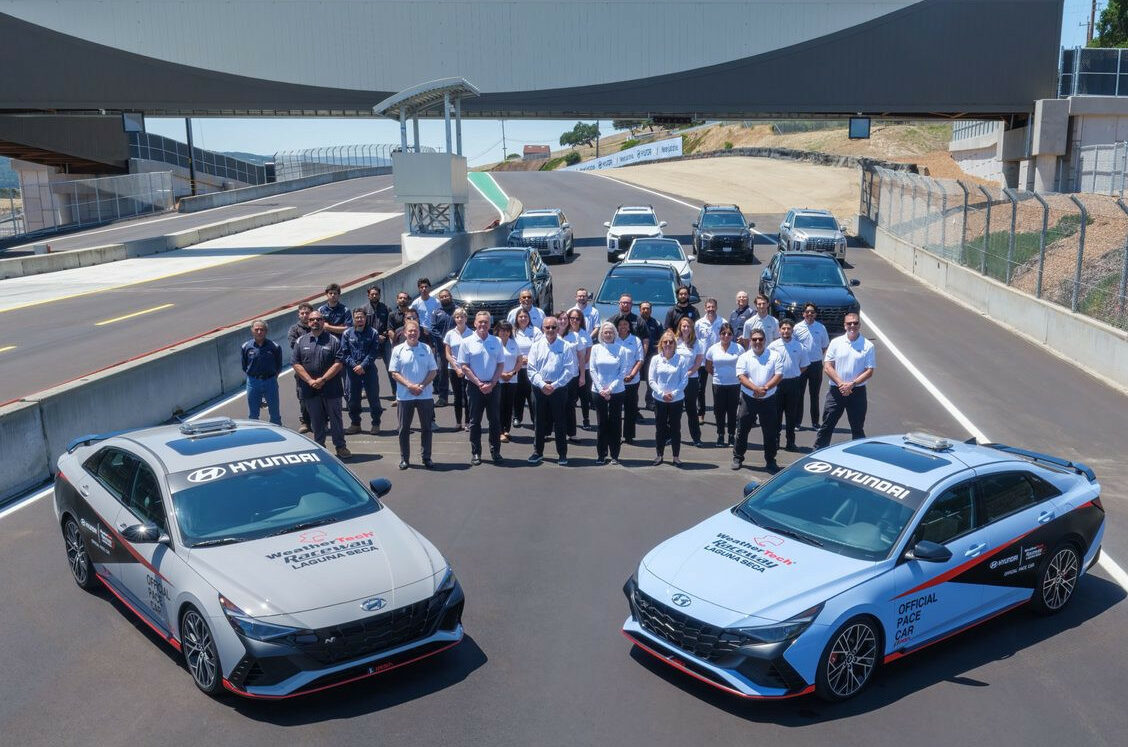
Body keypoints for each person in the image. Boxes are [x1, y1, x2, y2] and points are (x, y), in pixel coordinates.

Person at [292, 311, 351, 458]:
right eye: (312, 320)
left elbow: (338, 363)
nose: (315, 322)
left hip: (331, 388)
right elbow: (296, 363)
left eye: (318, 319)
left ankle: (340, 447)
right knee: (316, 421)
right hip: (310, 389)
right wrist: (310, 381)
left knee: (336, 419)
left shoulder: (333, 340)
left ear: (323, 321)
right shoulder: (301, 341)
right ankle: (320, 448)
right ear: (308, 322)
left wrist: (323, 379)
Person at [813, 313, 875, 450]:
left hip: (857, 392)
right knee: (827, 425)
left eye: (855, 323)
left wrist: (852, 384)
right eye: (849, 323)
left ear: (859, 325)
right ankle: (818, 453)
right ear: (844, 325)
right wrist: (841, 383)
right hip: (836, 391)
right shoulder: (836, 343)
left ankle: (859, 455)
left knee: (857, 427)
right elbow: (828, 366)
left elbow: (869, 370)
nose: (852, 326)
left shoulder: (868, 345)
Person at [526, 315, 577, 465]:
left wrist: (554, 385)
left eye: (553, 327)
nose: (550, 330)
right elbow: (531, 369)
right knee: (539, 421)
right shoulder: (536, 346)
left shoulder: (565, 346)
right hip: (539, 388)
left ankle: (562, 454)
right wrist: (542, 384)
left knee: (560, 422)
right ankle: (538, 452)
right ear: (543, 328)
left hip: (558, 389)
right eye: (547, 327)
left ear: (558, 328)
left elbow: (570, 370)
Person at [731, 331, 783, 472]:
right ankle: (738, 457)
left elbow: (778, 375)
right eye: (754, 339)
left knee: (770, 432)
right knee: (742, 429)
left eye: (760, 339)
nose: (757, 342)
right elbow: (741, 376)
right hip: (749, 398)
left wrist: (765, 388)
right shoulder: (744, 357)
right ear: (751, 341)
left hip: (769, 398)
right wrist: (755, 389)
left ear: (765, 340)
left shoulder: (775, 355)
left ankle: (771, 461)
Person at [458, 311, 505, 465]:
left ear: (490, 324)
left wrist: (491, 383)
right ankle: (476, 453)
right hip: (474, 387)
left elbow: (500, 364)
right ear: (475, 324)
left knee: (495, 421)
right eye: (480, 322)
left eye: (486, 322)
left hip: (493, 386)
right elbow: (464, 366)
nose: (483, 325)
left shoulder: (497, 341)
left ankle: (495, 452)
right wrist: (479, 383)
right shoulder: (466, 342)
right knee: (475, 421)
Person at [389, 320, 437, 470]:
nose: (412, 333)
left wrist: (421, 385)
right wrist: (409, 385)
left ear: (419, 332)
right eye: (410, 331)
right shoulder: (397, 350)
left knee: (426, 428)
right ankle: (405, 459)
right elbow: (394, 372)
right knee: (403, 428)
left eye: (415, 330)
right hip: (405, 396)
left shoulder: (427, 349)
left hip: (425, 395)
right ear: (404, 333)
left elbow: (433, 371)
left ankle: (426, 457)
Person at [589, 322, 629, 465]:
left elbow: (622, 372)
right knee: (601, 423)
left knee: (615, 423)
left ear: (615, 334)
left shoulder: (622, 350)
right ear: (601, 334)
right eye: (605, 332)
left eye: (611, 332)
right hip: (598, 391)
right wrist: (601, 389)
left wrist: (610, 389)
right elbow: (592, 369)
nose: (608, 334)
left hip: (617, 391)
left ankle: (615, 455)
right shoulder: (596, 349)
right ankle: (601, 454)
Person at [648, 330, 690, 466]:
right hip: (660, 399)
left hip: (676, 400)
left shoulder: (681, 359)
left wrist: (674, 393)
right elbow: (651, 380)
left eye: (671, 342)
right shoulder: (655, 359)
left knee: (675, 428)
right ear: (661, 344)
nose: (668, 344)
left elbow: (684, 380)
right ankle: (659, 455)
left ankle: (676, 457)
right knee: (660, 428)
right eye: (665, 342)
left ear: (675, 344)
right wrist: (662, 394)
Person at [768, 319, 810, 451]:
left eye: (788, 328)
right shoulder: (773, 346)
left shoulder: (799, 346)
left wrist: (794, 372)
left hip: (793, 383)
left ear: (792, 330)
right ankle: (775, 440)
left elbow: (803, 366)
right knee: (776, 414)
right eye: (783, 328)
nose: (786, 331)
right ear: (779, 330)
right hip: (778, 384)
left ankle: (790, 442)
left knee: (791, 414)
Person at [341, 308, 383, 435]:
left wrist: (363, 366)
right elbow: (344, 353)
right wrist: (354, 365)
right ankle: (355, 424)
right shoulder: (347, 333)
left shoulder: (373, 333)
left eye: (361, 317)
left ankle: (375, 423)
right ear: (353, 319)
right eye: (357, 317)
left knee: (373, 397)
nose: (359, 319)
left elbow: (373, 352)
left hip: (368, 370)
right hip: (352, 370)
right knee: (352, 399)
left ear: (366, 318)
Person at [794, 302, 830, 430]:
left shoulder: (821, 328)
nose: (810, 314)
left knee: (814, 394)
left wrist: (817, 356)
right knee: (799, 394)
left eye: (812, 312)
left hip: (816, 365)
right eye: (807, 312)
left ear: (815, 314)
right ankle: (797, 422)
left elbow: (825, 346)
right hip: (801, 365)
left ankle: (815, 423)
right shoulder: (797, 328)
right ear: (803, 314)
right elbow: (794, 346)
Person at [706, 322, 741, 446]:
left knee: (732, 411)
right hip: (718, 384)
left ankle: (731, 435)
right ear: (719, 334)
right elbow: (709, 366)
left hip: (734, 384)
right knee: (719, 411)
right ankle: (720, 435)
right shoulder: (713, 348)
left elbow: (743, 366)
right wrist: (718, 375)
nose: (726, 336)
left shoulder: (738, 348)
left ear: (732, 335)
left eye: (729, 334)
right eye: (723, 333)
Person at [242, 319, 282, 425]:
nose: (259, 332)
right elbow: (244, 366)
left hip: (270, 382)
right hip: (253, 382)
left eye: (262, 330)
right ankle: (255, 435)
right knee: (253, 414)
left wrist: (271, 378)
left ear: (266, 331)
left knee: (275, 414)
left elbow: (278, 366)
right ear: (252, 330)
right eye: (257, 329)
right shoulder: (246, 346)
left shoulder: (275, 347)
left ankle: (277, 435)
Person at [675, 317, 706, 447]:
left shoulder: (697, 343)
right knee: (674, 410)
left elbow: (698, 363)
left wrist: (688, 373)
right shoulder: (675, 341)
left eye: (688, 326)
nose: (686, 329)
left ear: (692, 328)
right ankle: (671, 436)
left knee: (691, 410)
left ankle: (696, 438)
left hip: (691, 380)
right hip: (675, 381)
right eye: (683, 326)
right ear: (680, 328)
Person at [562, 309, 591, 439]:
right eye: (572, 318)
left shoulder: (583, 335)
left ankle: (584, 421)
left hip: (580, 370)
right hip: (563, 373)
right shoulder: (562, 333)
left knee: (581, 398)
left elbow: (586, 353)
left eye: (577, 318)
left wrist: (581, 370)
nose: (574, 320)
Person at [616, 316, 645, 445]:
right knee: (616, 410)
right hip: (616, 381)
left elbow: (640, 359)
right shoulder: (613, 340)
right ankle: (615, 435)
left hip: (632, 381)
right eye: (620, 324)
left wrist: (632, 375)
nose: (623, 327)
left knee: (630, 409)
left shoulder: (635, 340)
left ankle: (628, 436)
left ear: (629, 327)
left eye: (625, 324)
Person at [443, 307, 472, 430]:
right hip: (453, 368)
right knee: (457, 396)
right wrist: (456, 368)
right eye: (457, 317)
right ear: (454, 319)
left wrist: (464, 368)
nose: (460, 319)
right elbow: (447, 354)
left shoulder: (471, 333)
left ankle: (467, 422)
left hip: (468, 368)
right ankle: (458, 422)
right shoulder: (450, 334)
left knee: (467, 396)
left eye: (462, 317)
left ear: (466, 318)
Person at [512, 307, 542, 428]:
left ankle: (535, 419)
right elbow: (509, 348)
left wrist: (529, 359)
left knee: (532, 395)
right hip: (517, 367)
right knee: (517, 394)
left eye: (525, 316)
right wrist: (519, 359)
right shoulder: (513, 331)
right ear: (516, 318)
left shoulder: (535, 331)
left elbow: (539, 348)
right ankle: (517, 418)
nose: (523, 319)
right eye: (521, 317)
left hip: (532, 368)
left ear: (529, 318)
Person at [694, 298, 722, 420]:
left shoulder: (722, 322)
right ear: (705, 308)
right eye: (708, 307)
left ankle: (718, 412)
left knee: (718, 388)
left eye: (713, 307)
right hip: (703, 360)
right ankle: (701, 413)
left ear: (716, 307)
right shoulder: (699, 323)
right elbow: (695, 341)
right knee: (700, 388)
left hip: (717, 359)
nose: (711, 309)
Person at [362, 285, 391, 403]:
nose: (374, 296)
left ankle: (396, 391)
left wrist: (384, 335)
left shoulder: (386, 308)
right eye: (372, 294)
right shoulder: (363, 309)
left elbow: (390, 325)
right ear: (368, 295)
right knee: (366, 367)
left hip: (385, 341)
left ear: (379, 295)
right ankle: (365, 390)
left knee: (391, 366)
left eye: (376, 294)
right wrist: (375, 336)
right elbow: (362, 326)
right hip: (370, 342)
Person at [287, 303, 313, 433]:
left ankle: (323, 420)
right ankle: (306, 422)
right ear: (299, 314)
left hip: (317, 368)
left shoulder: (317, 326)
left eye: (307, 313)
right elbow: (294, 345)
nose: (304, 315)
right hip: (301, 369)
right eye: (302, 313)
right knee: (303, 397)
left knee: (321, 396)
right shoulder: (294, 329)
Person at [430, 288, 458, 408]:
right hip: (442, 348)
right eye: (442, 297)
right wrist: (443, 339)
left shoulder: (458, 311)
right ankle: (443, 398)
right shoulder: (436, 312)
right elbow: (433, 328)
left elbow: (463, 325)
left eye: (446, 296)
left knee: (458, 371)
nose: (444, 298)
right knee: (442, 372)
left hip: (457, 347)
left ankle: (460, 397)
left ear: (450, 296)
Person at [495, 321, 521, 443]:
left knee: (508, 406)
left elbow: (519, 361)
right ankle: (499, 431)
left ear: (510, 332)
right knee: (498, 406)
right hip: (498, 379)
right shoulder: (494, 343)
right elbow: (490, 362)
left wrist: (512, 373)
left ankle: (506, 429)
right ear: (497, 331)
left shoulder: (514, 343)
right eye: (502, 330)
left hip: (512, 379)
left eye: (507, 330)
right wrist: (501, 374)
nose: (504, 332)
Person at [636, 301, 662, 410]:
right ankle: (634, 404)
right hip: (636, 357)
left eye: (648, 308)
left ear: (651, 310)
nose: (645, 310)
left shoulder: (657, 323)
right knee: (634, 381)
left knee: (650, 380)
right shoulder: (635, 322)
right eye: (643, 308)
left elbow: (662, 339)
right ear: (640, 310)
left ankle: (650, 402)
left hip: (651, 357)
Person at [386, 290, 412, 396]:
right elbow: (390, 330)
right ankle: (397, 393)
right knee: (396, 370)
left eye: (405, 298)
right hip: (398, 346)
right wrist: (396, 339)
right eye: (400, 298)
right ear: (397, 300)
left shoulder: (412, 313)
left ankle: (411, 390)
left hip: (411, 345)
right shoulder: (392, 314)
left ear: (408, 300)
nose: (403, 300)